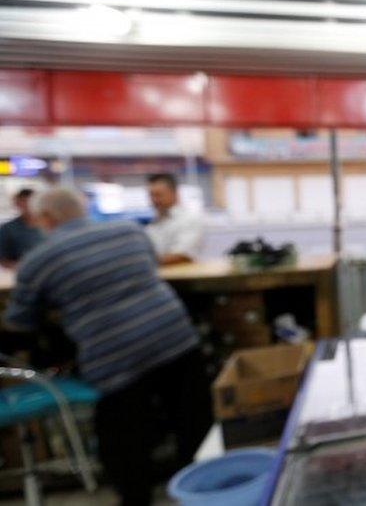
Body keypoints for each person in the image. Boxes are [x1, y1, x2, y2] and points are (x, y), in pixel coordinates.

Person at [3, 187, 212, 506]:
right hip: (176, 338)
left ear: (45, 218)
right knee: (192, 421)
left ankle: (136, 497)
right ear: (82, 207)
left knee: (122, 440)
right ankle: (203, 488)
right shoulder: (129, 231)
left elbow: (20, 321)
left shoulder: (38, 261)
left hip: (117, 359)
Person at [145, 173, 203, 265]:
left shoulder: (189, 219)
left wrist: (141, 263)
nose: (154, 200)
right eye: (151, 195)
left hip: (182, 278)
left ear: (175, 193)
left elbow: (182, 255)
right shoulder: (153, 224)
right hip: (158, 276)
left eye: (158, 195)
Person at [0, 188, 43, 268]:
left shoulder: (49, 227)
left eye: (31, 203)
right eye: (23, 202)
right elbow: (3, 260)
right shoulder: (8, 229)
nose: (27, 206)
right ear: (17, 204)